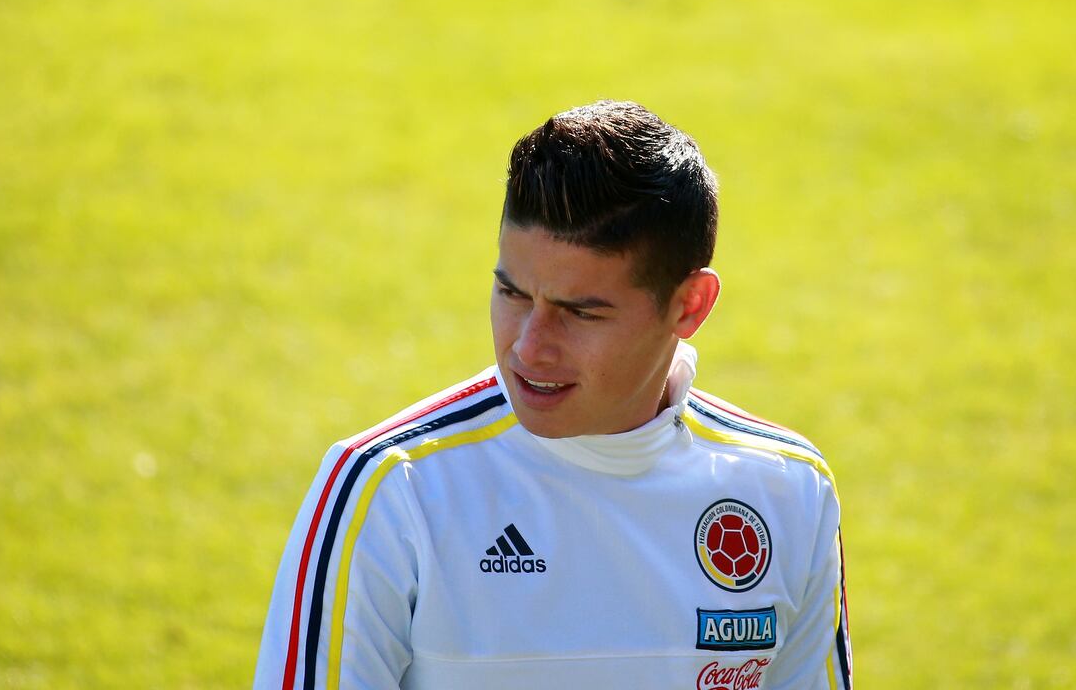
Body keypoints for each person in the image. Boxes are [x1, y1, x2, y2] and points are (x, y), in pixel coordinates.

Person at [253, 100, 852, 690]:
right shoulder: (390, 489)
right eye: (512, 294)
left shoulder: (788, 490)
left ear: (689, 305)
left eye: (580, 312)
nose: (529, 348)